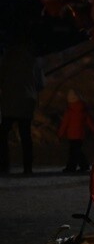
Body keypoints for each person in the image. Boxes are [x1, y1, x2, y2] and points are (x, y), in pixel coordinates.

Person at [0, 28, 44, 175]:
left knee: (3, 133)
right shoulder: (34, 61)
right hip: (27, 101)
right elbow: (40, 84)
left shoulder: (6, 59)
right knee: (25, 135)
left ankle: (4, 164)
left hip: (9, 101)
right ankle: (27, 167)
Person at [59, 89, 94, 173]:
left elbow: (64, 124)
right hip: (81, 135)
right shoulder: (83, 110)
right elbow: (90, 122)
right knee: (77, 151)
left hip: (71, 135)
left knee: (73, 152)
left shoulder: (69, 112)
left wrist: (60, 134)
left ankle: (72, 167)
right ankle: (83, 165)